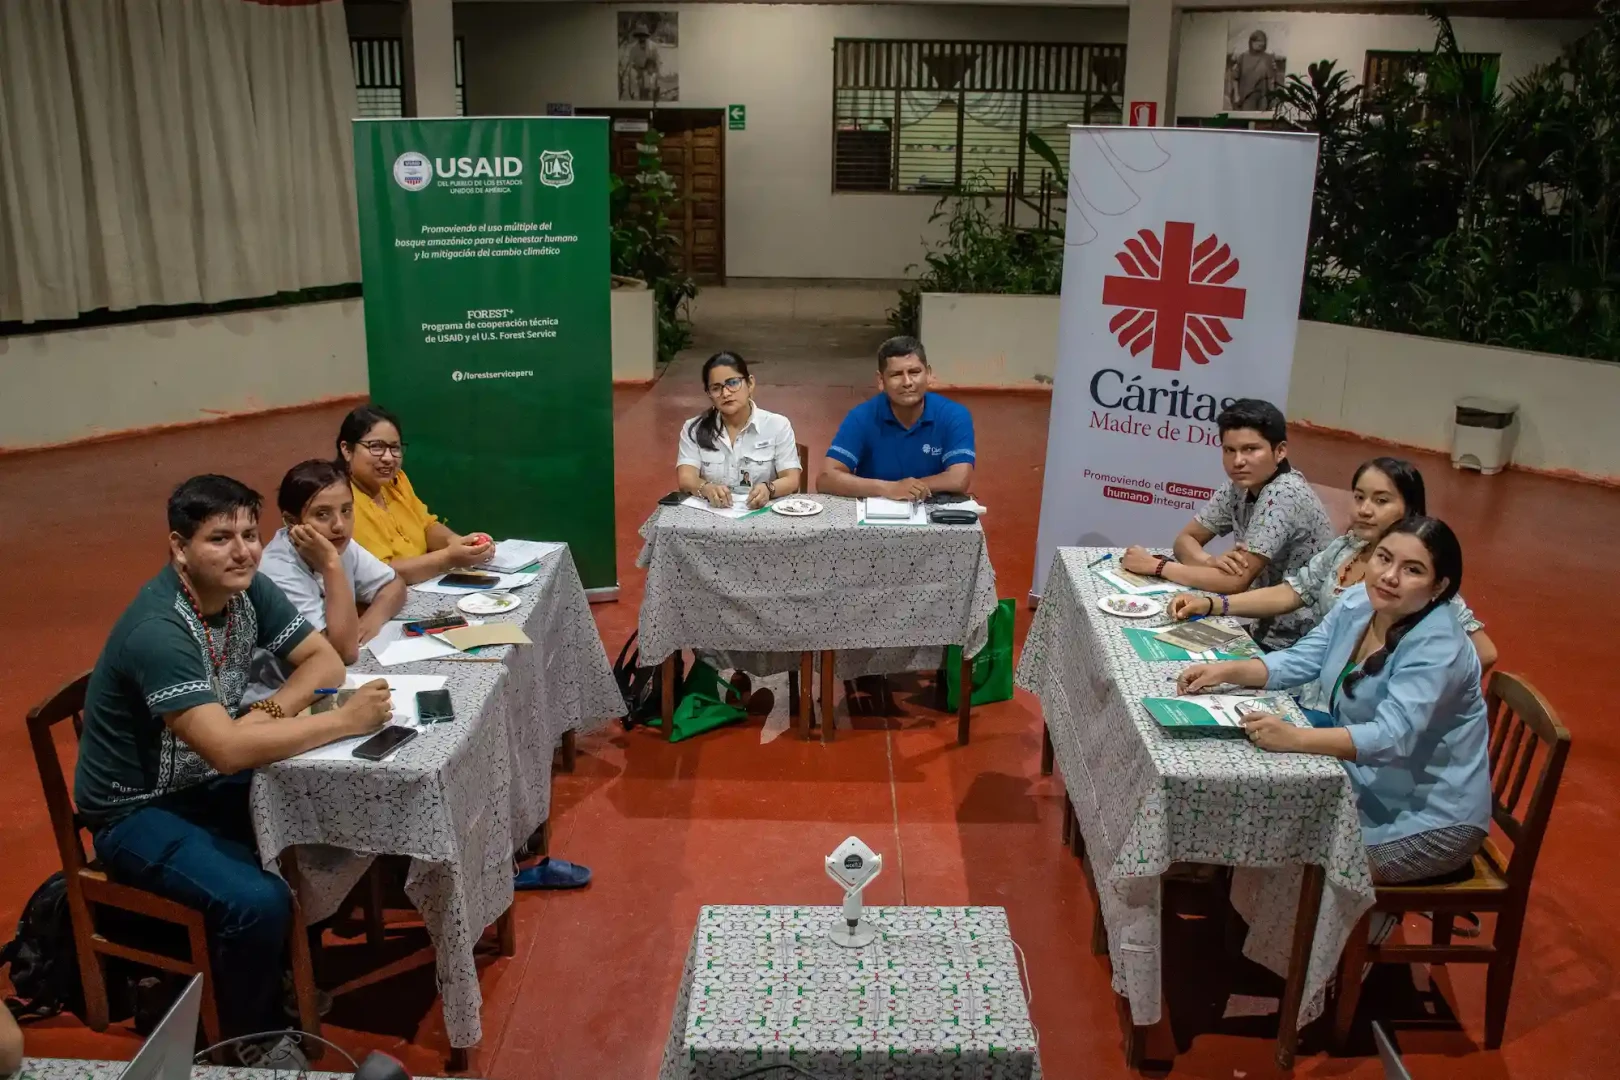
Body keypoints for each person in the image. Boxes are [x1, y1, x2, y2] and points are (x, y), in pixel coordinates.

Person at [73, 476, 393, 1066]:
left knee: (329, 818)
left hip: (200, 780)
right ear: (179, 548)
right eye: (220, 538)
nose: (243, 550)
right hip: (134, 810)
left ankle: (278, 973)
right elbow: (226, 751)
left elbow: (324, 659)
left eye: (249, 533)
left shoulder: (248, 591)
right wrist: (343, 723)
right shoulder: (159, 631)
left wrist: (268, 710)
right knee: (257, 899)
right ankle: (249, 1035)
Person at [1178, 517, 1492, 884]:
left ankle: (1324, 935)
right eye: (1384, 558)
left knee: (1306, 863)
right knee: (1268, 816)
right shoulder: (1361, 600)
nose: (1389, 576)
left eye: (1413, 570)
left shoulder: (1439, 646)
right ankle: (1241, 913)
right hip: (1366, 780)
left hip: (1431, 818)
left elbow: (1391, 737)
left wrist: (1296, 739)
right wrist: (1227, 671)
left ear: (1439, 586)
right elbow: (1302, 659)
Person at [1168, 457, 1498, 703]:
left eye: (1381, 501)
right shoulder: (1346, 548)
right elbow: (1292, 592)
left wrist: (1423, 699)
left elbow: (1484, 653)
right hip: (1314, 683)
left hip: (1354, 710)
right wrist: (1214, 604)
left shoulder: (1420, 586)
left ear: (1410, 510)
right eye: (1359, 497)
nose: (1365, 510)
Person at [1121, 398, 1334, 649]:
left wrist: (1157, 566)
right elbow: (1184, 541)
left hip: (1298, 643)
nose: (1238, 461)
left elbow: (1234, 583)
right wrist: (1211, 562)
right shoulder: (1240, 485)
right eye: (1229, 450)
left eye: (1250, 449)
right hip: (1263, 629)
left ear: (1280, 451)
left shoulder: (1285, 493)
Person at [248, 461, 408, 701]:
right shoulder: (276, 571)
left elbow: (394, 585)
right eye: (322, 514)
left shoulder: (338, 543)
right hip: (280, 694)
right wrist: (331, 566)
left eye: (346, 510)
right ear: (292, 522)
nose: (339, 525)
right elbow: (342, 653)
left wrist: (372, 619)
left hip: (333, 679)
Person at [337, 404, 494, 584]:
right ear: (347, 450)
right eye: (376, 447)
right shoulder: (342, 501)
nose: (388, 458)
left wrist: (459, 543)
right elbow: (381, 573)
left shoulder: (396, 481)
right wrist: (449, 557)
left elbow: (426, 526)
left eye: (394, 448)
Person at [819, 336, 975, 500]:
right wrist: (889, 488)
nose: (907, 382)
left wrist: (909, 488)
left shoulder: (954, 415)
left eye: (914, 372)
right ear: (881, 381)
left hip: (932, 511)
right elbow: (826, 479)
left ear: (928, 374)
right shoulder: (861, 417)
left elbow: (959, 479)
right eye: (896, 374)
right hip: (874, 515)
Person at [676, 352, 802, 510]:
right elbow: (686, 478)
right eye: (716, 388)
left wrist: (768, 489)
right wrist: (706, 488)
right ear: (709, 394)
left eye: (733, 383)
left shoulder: (777, 425)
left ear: (750, 383)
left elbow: (791, 479)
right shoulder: (694, 428)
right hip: (712, 515)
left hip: (761, 515)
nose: (726, 393)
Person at [1227, 29, 1282, 111]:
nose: (1260, 44)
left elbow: (1273, 79)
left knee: (1261, 121)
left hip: (1264, 97)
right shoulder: (1243, 57)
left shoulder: (1268, 58)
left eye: (1263, 41)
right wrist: (1236, 95)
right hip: (1247, 96)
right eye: (1258, 41)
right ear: (1251, 42)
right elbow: (1235, 78)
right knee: (1247, 118)